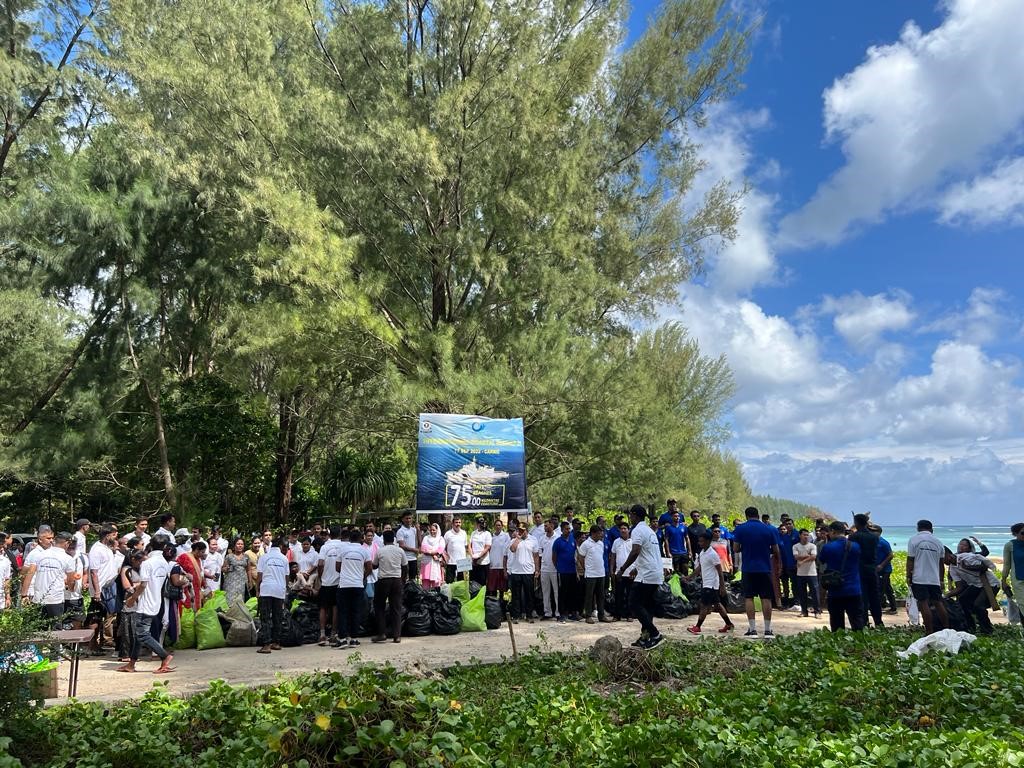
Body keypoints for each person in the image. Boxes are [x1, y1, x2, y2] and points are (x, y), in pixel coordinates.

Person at [117, 541, 178, 674]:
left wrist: (132, 599)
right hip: (156, 602)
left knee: (142, 634)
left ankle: (164, 656)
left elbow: (143, 585)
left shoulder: (147, 564)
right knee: (140, 634)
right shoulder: (163, 563)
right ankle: (131, 664)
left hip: (145, 604)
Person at [616, 505, 664, 649]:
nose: (629, 517)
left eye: (630, 515)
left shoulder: (637, 530)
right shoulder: (649, 530)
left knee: (634, 603)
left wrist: (622, 569)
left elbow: (636, 551)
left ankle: (655, 634)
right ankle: (645, 637)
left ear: (635, 515)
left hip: (647, 574)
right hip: (655, 572)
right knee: (647, 606)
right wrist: (636, 568)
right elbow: (648, 553)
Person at [731, 506, 781, 638]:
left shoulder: (740, 528)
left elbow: (735, 548)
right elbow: (776, 550)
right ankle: (768, 630)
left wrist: (745, 547)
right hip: (765, 568)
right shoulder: (769, 529)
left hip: (748, 568)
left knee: (749, 597)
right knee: (766, 598)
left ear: (746, 516)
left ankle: (752, 630)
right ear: (758, 515)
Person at [20, 526, 75, 629]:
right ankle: (55, 645)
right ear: (67, 543)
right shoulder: (68, 559)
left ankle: (41, 645)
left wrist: (23, 594)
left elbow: (29, 574)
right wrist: (71, 588)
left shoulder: (39, 555)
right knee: (56, 629)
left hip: (39, 598)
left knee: (39, 629)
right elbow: (71, 579)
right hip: (55, 599)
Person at [945, 539, 997, 635]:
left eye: (943, 559)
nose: (943, 562)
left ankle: (987, 630)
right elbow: (960, 587)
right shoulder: (952, 569)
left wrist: (967, 567)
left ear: (949, 555)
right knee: (962, 601)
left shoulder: (967, 557)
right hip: (976, 585)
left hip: (990, 583)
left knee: (978, 605)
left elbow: (984, 566)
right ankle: (970, 627)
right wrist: (946, 595)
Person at [819, 521, 864, 632]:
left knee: (836, 623)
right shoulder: (856, 546)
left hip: (835, 589)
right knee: (857, 621)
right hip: (854, 588)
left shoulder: (828, 547)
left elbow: (822, 560)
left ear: (833, 531)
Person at [686, 532, 735, 634]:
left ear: (708, 541)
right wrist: (689, 577)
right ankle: (729, 624)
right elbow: (700, 568)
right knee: (717, 604)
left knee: (704, 605)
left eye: (702, 541)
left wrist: (722, 586)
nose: (700, 543)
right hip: (706, 582)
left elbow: (719, 571)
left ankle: (698, 627)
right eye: (699, 541)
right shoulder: (703, 553)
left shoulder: (713, 554)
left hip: (711, 584)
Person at [907, 519, 949, 634]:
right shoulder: (938, 542)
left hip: (919, 578)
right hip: (934, 579)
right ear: (931, 529)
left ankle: (929, 631)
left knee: (923, 603)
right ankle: (946, 628)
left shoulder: (913, 540)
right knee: (938, 602)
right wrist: (941, 580)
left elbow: (910, 560)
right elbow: (941, 564)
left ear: (918, 528)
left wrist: (908, 576)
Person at [334, 529, 371, 649]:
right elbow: (369, 568)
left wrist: (345, 573)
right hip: (358, 585)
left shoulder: (343, 550)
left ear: (349, 538)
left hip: (344, 585)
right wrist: (361, 576)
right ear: (361, 538)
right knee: (356, 612)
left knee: (343, 611)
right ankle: (354, 639)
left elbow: (337, 567)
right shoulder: (364, 551)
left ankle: (343, 639)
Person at [87, 525, 120, 651]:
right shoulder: (96, 550)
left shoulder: (106, 548)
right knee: (95, 617)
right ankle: (92, 645)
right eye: (113, 535)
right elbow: (94, 572)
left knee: (106, 617)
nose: (115, 537)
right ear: (107, 536)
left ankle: (98, 644)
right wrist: (97, 592)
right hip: (100, 590)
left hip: (109, 588)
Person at [255, 537, 290, 653]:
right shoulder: (284, 559)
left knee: (265, 617)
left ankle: (266, 645)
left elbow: (259, 576)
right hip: (279, 590)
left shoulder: (264, 557)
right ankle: (276, 642)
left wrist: (257, 590)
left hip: (266, 589)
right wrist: (285, 590)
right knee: (277, 617)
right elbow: (286, 577)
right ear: (280, 546)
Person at [849, 513, 883, 627]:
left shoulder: (854, 536)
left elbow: (851, 553)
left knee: (862, 596)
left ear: (857, 523)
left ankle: (864, 622)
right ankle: (878, 621)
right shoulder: (874, 537)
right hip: (872, 568)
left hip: (859, 569)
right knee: (874, 596)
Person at [372, 530, 406, 644]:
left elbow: (375, 565)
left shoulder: (380, 551)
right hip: (396, 580)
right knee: (396, 608)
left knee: (379, 606)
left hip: (383, 581)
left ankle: (382, 633)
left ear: (383, 539)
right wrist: (402, 580)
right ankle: (397, 636)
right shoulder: (400, 551)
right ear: (394, 539)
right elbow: (405, 566)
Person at [316, 525, 345, 646]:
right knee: (335, 608)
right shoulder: (343, 546)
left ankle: (322, 635)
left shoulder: (325, 547)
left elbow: (320, 564)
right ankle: (333, 634)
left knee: (323, 607)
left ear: (329, 534)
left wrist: (321, 577)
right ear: (340, 534)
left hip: (326, 581)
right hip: (339, 581)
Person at [578, 525, 612, 624]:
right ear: (593, 533)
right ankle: (588, 615)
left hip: (601, 573)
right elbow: (580, 557)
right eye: (599, 533)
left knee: (601, 595)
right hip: (591, 574)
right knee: (589, 595)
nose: (601, 535)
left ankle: (601, 615)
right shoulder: (586, 544)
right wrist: (586, 568)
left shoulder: (601, 543)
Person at [506, 524, 539, 622]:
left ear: (527, 530)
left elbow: (536, 556)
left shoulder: (533, 540)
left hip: (528, 571)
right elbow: (512, 549)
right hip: (516, 571)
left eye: (523, 530)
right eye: (519, 530)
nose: (521, 531)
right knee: (516, 595)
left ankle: (529, 616)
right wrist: (518, 539)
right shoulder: (514, 540)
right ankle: (516, 616)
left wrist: (537, 569)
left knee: (529, 594)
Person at [116, 551, 144, 662]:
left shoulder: (138, 570)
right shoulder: (126, 570)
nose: (141, 564)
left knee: (135, 629)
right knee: (128, 630)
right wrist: (139, 585)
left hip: (139, 602)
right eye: (140, 561)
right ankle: (126, 654)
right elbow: (127, 586)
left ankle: (134, 653)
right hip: (130, 601)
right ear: (133, 559)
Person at [552, 520, 579, 622]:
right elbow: (554, 558)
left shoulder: (573, 539)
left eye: (569, 529)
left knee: (572, 592)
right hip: (562, 571)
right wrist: (558, 568)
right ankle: (562, 614)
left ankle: (573, 613)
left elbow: (576, 553)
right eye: (566, 529)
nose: (568, 530)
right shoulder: (557, 542)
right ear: (562, 530)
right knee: (562, 592)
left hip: (572, 570)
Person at [792, 529, 820, 618]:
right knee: (802, 593)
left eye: (807, 535)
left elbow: (814, 557)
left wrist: (802, 561)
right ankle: (804, 611)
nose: (806, 536)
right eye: (804, 535)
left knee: (815, 592)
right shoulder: (796, 546)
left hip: (812, 573)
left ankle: (817, 611)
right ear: (800, 535)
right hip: (801, 573)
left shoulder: (812, 546)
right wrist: (808, 556)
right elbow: (796, 557)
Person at [609, 522, 634, 621]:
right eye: (621, 529)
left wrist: (636, 570)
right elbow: (613, 556)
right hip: (619, 573)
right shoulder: (616, 542)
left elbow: (637, 557)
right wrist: (612, 570)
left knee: (630, 595)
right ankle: (617, 615)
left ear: (629, 530)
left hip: (631, 572)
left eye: (625, 528)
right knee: (618, 595)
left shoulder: (633, 542)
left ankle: (629, 615)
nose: (623, 530)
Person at [1001, 523, 1024, 623]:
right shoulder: (1010, 545)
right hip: (1018, 580)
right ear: (1015, 533)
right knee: (1022, 604)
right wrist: (1004, 580)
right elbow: (1007, 565)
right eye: (1023, 533)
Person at [538, 520, 560, 620]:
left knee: (556, 591)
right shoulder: (542, 538)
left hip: (555, 569)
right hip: (544, 569)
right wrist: (538, 569)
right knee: (545, 591)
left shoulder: (558, 537)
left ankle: (558, 612)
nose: (545, 528)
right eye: (544, 526)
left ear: (552, 525)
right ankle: (547, 612)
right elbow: (539, 554)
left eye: (546, 526)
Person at [176, 540, 206, 612]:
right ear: (196, 550)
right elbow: (176, 569)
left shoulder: (198, 560)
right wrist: (186, 576)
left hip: (196, 588)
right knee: (187, 609)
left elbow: (200, 573)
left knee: (196, 608)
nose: (203, 554)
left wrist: (204, 583)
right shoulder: (184, 557)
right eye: (202, 552)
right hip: (187, 588)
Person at [874, 528, 897, 614]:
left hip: (885, 570)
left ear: (878, 532)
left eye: (873, 531)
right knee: (886, 588)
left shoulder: (883, 542)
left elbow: (890, 555)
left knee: (882, 589)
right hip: (877, 569)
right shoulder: (874, 541)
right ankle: (891, 606)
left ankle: (882, 608)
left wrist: (882, 565)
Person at [221, 537, 250, 605]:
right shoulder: (229, 556)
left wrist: (250, 581)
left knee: (240, 600)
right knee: (229, 601)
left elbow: (248, 570)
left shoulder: (246, 557)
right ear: (234, 545)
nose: (240, 546)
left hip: (242, 582)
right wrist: (226, 569)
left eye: (242, 544)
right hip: (230, 582)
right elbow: (223, 569)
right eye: (238, 544)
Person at [487, 518, 510, 596]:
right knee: (492, 588)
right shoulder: (490, 536)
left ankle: (501, 605)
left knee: (502, 589)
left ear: (502, 526)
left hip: (502, 566)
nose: (498, 527)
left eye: (499, 525)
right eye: (496, 525)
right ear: (494, 526)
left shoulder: (506, 536)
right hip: (492, 565)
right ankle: (493, 604)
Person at [420, 523, 446, 589]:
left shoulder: (440, 539)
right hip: (427, 563)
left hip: (436, 563)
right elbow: (423, 549)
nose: (432, 531)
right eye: (431, 530)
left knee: (436, 583)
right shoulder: (426, 538)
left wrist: (430, 551)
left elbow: (440, 549)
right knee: (426, 581)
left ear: (437, 530)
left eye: (434, 530)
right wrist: (433, 553)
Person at [662, 511, 689, 576]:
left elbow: (687, 538)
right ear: (672, 517)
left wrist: (689, 551)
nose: (677, 517)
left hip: (683, 552)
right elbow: (666, 540)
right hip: (674, 552)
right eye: (675, 516)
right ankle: (677, 584)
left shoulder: (683, 527)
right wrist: (668, 552)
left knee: (685, 569)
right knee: (676, 571)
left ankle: (685, 584)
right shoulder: (668, 527)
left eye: (678, 516)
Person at [396, 512, 420, 582]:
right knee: (403, 578)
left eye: (410, 518)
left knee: (412, 579)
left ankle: (412, 592)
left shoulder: (414, 530)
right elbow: (401, 545)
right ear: (402, 519)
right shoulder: (400, 531)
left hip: (414, 558)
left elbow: (419, 541)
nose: (408, 520)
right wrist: (413, 550)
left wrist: (418, 529)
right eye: (406, 518)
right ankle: (403, 592)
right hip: (404, 558)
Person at [469, 518, 492, 586]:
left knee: (482, 583)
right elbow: (469, 545)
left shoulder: (487, 533)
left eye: (483, 523)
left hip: (483, 562)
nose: (481, 525)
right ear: (477, 524)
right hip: (473, 562)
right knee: (473, 583)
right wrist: (472, 556)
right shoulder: (473, 533)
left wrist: (478, 557)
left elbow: (487, 547)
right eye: (479, 523)